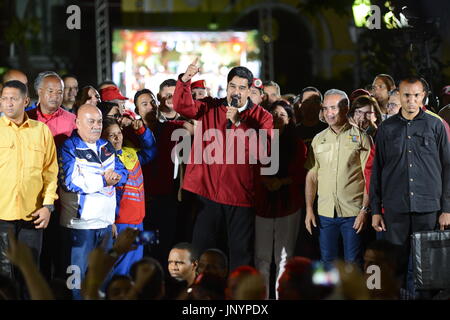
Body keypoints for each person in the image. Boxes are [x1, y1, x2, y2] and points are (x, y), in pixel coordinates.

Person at [173, 61, 273, 271]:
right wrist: (184, 80)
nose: (236, 92)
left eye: (242, 88)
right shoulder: (212, 106)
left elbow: (264, 153)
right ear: (226, 87)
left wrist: (239, 123)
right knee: (201, 254)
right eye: (232, 87)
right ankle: (201, 296)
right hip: (208, 195)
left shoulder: (262, 117)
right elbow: (182, 106)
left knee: (239, 256)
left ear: (249, 91)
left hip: (241, 197)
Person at [370, 76, 450, 299]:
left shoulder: (436, 125)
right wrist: (376, 210)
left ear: (423, 96)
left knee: (427, 269)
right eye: (407, 95)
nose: (411, 100)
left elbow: (447, 168)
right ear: (399, 96)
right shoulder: (386, 129)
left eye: (416, 95)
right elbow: (377, 171)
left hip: (428, 207)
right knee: (395, 265)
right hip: (396, 208)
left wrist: (447, 208)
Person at [58, 104, 128, 299]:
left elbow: (123, 171)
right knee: (77, 285)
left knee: (102, 284)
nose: (97, 126)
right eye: (91, 121)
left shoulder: (106, 146)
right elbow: (70, 182)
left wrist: (117, 177)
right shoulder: (68, 146)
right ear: (77, 122)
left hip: (105, 226)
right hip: (79, 228)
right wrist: (103, 179)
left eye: (99, 121)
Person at [0, 81, 58, 291]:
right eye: (4, 98)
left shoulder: (41, 131)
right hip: (1, 216)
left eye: (13, 99)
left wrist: (48, 205)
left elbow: (51, 172)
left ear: (26, 101)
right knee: (4, 277)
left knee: (30, 275)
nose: (8, 103)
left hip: (33, 215)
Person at [305, 89, 372, 269]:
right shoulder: (318, 140)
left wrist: (365, 210)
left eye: (333, 108)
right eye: (326, 108)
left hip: (353, 213)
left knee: (353, 263)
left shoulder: (362, 138)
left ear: (345, 108)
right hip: (325, 213)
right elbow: (311, 176)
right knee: (327, 263)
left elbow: (369, 178)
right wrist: (309, 209)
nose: (329, 113)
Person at [254, 100, 307, 299]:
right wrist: (265, 181)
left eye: (282, 115)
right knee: (262, 257)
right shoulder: (259, 141)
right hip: (263, 205)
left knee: (284, 257)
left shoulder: (296, 143)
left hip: (288, 204)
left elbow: (302, 172)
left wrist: (282, 182)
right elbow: (251, 169)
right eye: (273, 114)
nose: (277, 119)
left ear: (290, 119)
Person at [101, 117, 156, 276]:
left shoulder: (130, 152)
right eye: (112, 135)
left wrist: (142, 131)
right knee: (121, 268)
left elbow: (151, 152)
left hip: (138, 221)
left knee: (136, 267)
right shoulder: (105, 161)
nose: (117, 138)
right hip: (121, 223)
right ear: (102, 137)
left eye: (119, 133)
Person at [27, 71, 77, 147]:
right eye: (50, 91)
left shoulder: (72, 120)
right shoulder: (26, 117)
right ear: (40, 91)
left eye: (59, 92)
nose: (55, 96)